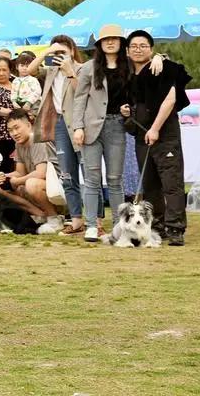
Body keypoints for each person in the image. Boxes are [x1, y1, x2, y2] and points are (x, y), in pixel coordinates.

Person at [126, 29, 190, 246]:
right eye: (134, 46)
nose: (138, 49)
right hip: (141, 137)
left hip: (165, 135)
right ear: (127, 50)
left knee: (171, 183)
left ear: (151, 49)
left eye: (143, 46)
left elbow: (170, 100)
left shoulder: (165, 68)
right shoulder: (128, 75)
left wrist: (154, 128)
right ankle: (157, 225)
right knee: (150, 184)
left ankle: (176, 228)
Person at [71, 24, 129, 242]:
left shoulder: (129, 65)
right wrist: (78, 126)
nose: (110, 42)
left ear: (121, 43)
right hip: (91, 127)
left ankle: (118, 225)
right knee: (92, 178)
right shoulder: (89, 67)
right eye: (106, 40)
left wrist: (128, 110)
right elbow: (79, 99)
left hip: (117, 126)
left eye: (114, 39)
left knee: (115, 179)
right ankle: (91, 225)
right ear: (99, 44)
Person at [31, 35, 85, 236]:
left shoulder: (83, 68)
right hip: (60, 124)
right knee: (67, 173)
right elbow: (30, 70)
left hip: (79, 124)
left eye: (64, 50)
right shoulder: (51, 71)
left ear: (72, 50)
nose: (60, 55)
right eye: (57, 51)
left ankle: (95, 220)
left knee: (88, 173)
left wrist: (70, 72)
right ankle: (76, 219)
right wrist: (47, 51)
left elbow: (83, 93)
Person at [0, 110, 63, 229]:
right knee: (2, 187)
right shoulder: (18, 144)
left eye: (17, 128)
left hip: (59, 188)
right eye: (10, 130)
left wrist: (16, 181)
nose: (14, 133)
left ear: (29, 125)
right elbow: (20, 172)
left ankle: (54, 217)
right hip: (43, 186)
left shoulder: (37, 140)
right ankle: (40, 214)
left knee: (31, 184)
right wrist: (4, 176)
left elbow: (41, 173)